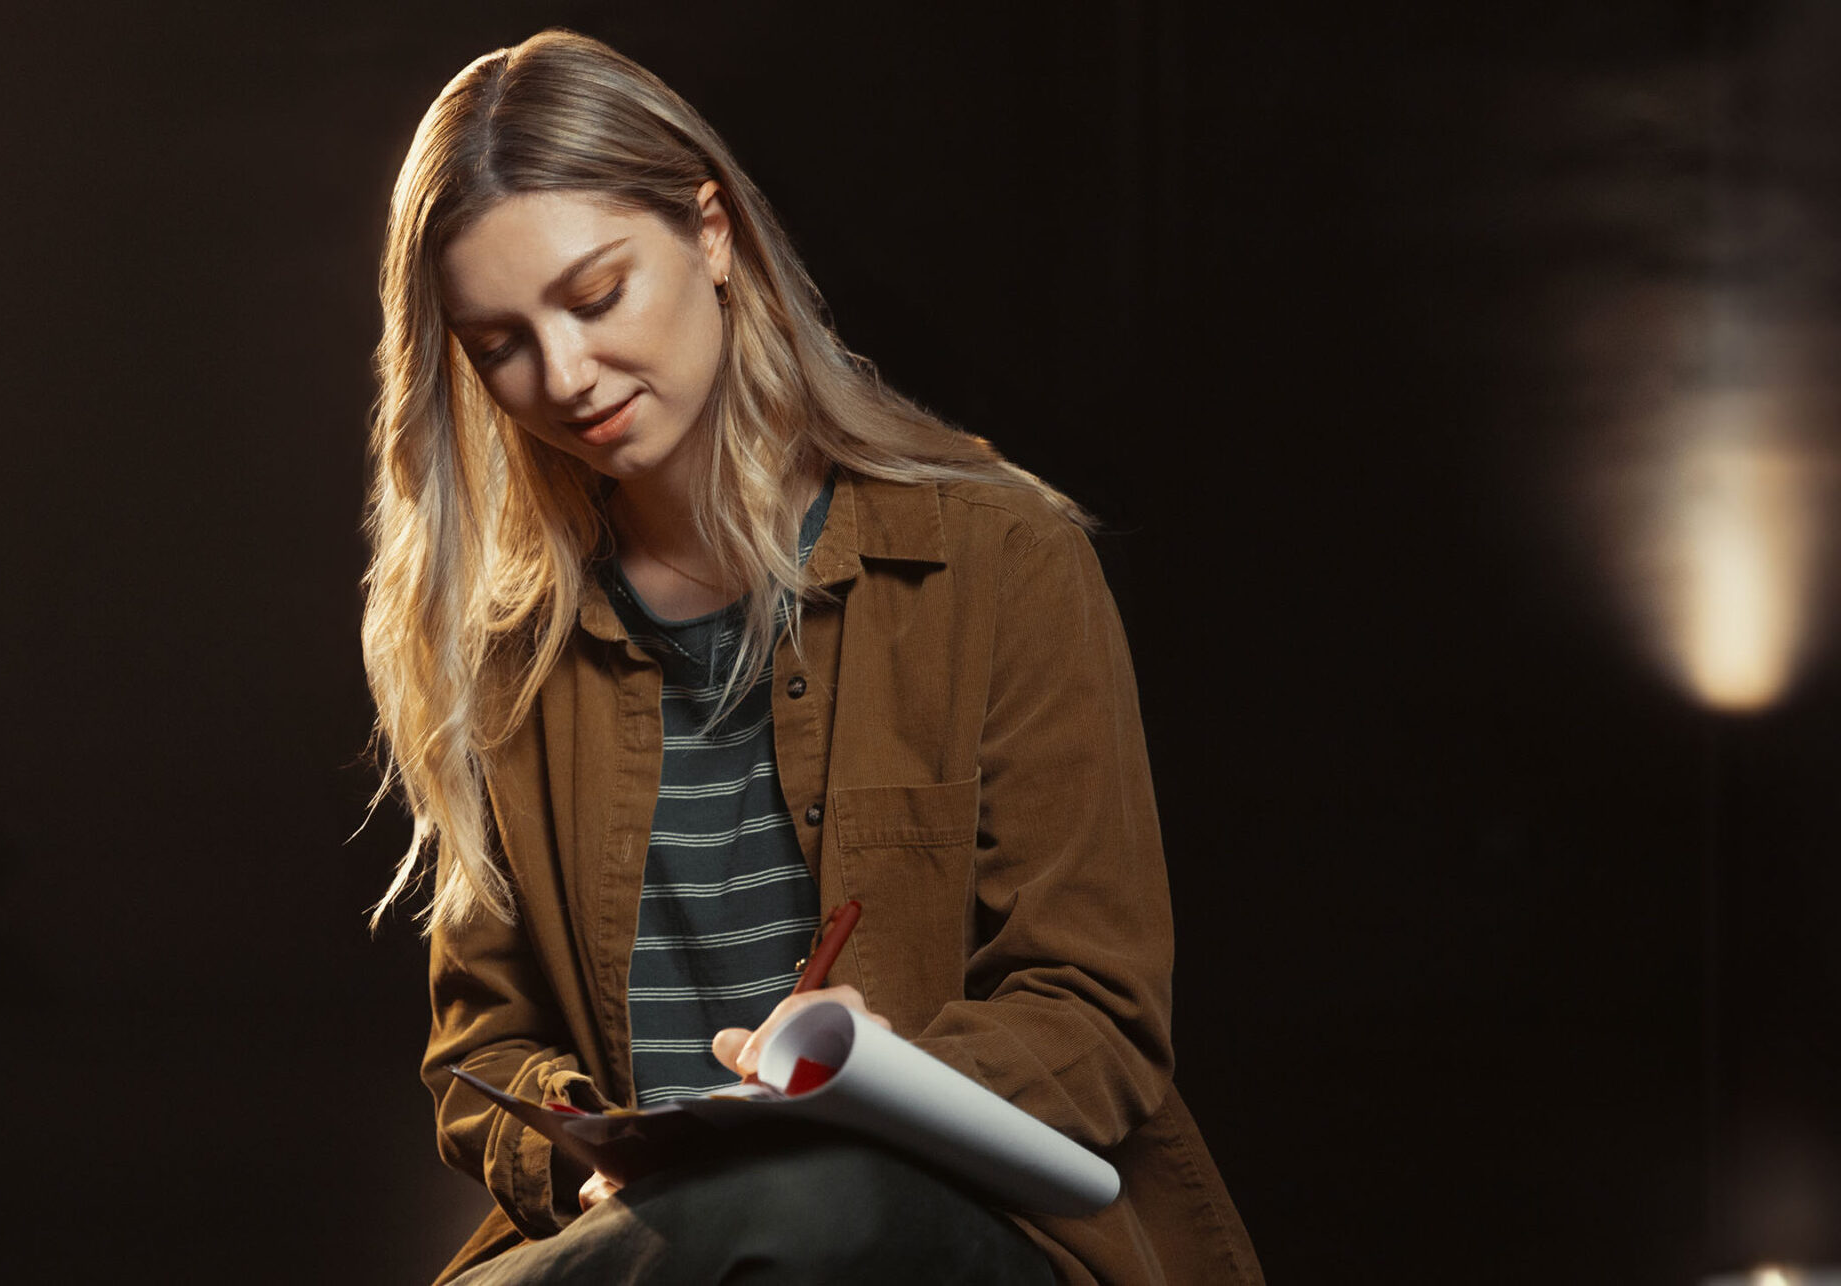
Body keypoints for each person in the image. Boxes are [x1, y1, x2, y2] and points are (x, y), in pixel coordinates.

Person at [360, 29, 1263, 1286]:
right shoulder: (507, 654)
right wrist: (589, 1149)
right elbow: (484, 1056)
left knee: (818, 1203)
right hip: (653, 1246)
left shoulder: (1000, 559)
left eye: (595, 294)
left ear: (712, 234)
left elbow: (1097, 1021)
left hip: (958, 1229)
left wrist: (874, 1082)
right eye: (499, 341)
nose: (561, 375)